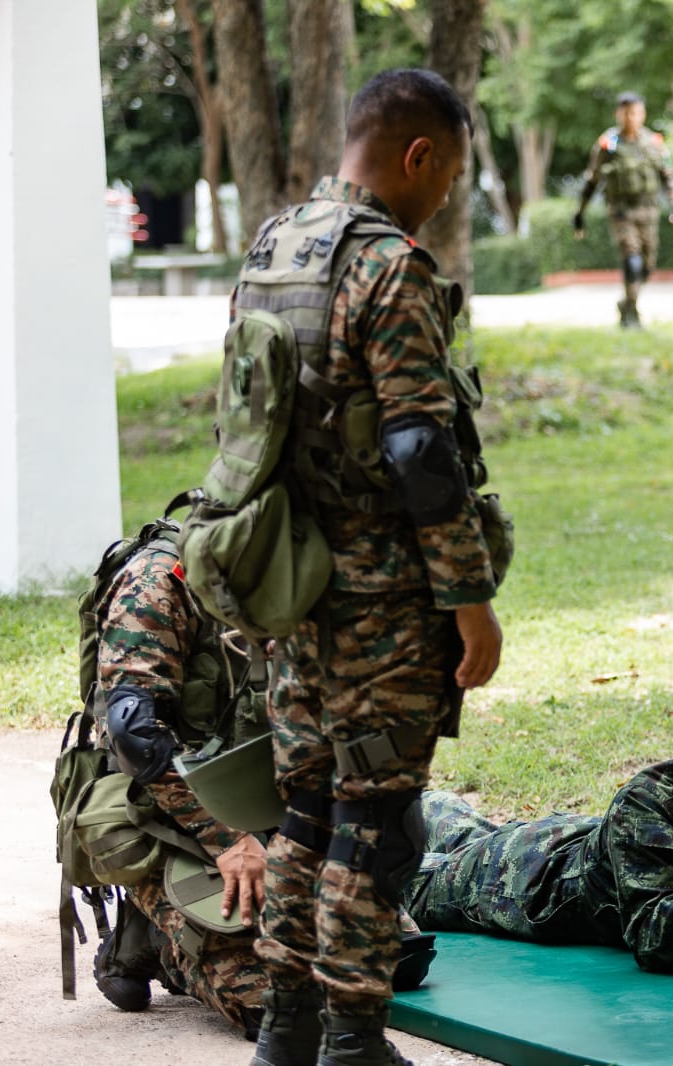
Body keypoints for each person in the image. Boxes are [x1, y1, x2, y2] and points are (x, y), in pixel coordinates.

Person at [238, 68, 506, 1066]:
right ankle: (353, 1037)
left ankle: (285, 1028)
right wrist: (469, 600)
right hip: (377, 598)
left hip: (287, 588)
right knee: (377, 816)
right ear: (417, 155)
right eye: (450, 175)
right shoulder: (389, 265)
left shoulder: (275, 247)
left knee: (304, 804)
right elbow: (418, 454)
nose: (445, 197)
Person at [404, 681, 673, 972]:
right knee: (404, 877)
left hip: (581, 842)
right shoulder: (649, 801)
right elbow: (653, 943)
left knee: (460, 831)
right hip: (528, 883)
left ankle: (425, 803)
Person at [92, 510, 270, 1035]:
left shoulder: (291, 573)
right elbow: (135, 737)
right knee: (275, 1007)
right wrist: (230, 840)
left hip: (253, 797)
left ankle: (163, 931)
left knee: (389, 958)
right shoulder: (158, 585)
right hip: (157, 808)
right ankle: (158, 940)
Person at [573, 90, 673, 328]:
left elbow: (669, 178)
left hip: (648, 212)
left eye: (634, 112)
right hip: (621, 212)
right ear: (618, 114)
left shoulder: (654, 143)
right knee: (632, 261)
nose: (630, 118)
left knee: (647, 266)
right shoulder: (608, 144)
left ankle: (627, 301)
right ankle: (632, 314)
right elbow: (592, 180)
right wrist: (579, 213)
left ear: (642, 114)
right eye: (625, 113)